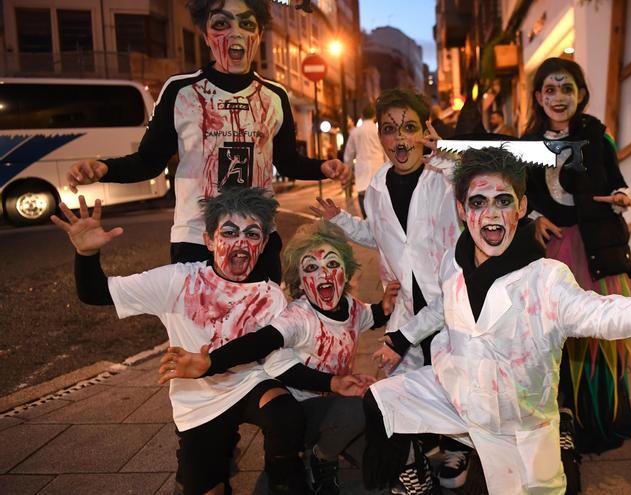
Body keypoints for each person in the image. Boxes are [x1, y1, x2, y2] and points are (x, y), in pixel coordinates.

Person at [362, 146, 631, 495]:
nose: (491, 213)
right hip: (458, 394)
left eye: (504, 201)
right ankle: (415, 472)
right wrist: (400, 339)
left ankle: (562, 439)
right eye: (478, 202)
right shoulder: (453, 263)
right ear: (462, 210)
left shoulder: (546, 278)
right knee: (382, 400)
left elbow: (596, 312)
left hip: (520, 422)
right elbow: (442, 307)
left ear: (522, 208)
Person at [64, 0, 351, 283]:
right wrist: (103, 168)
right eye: (221, 23)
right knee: (203, 329)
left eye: (247, 23)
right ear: (205, 36)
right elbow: (148, 162)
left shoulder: (275, 97)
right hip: (195, 240)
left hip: (258, 240)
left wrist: (323, 168)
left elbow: (288, 160)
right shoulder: (180, 91)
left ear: (259, 34)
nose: (235, 33)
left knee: (261, 327)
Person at [50, 187, 311, 495]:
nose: (240, 242)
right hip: (198, 401)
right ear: (209, 241)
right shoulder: (179, 280)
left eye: (252, 235)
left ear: (264, 243)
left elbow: (274, 354)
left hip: (249, 383)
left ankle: (281, 482)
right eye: (228, 232)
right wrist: (87, 254)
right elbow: (94, 293)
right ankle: (214, 459)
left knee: (287, 415)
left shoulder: (269, 295)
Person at [158, 220, 400, 495]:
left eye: (332, 264)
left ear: (345, 270)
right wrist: (212, 361)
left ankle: (323, 452)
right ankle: (317, 459)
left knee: (383, 444)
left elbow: (367, 316)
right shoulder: (296, 316)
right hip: (297, 417)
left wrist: (384, 308)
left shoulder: (351, 307)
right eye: (311, 268)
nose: (324, 274)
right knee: (354, 413)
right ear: (298, 277)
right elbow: (263, 342)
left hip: (333, 407)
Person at [309, 88, 472, 490]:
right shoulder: (378, 184)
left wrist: (444, 154)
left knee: (457, 379)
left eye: (410, 128)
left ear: (425, 131)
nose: (400, 139)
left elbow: (474, 189)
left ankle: (458, 447)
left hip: (450, 299)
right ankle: (412, 458)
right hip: (407, 302)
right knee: (404, 386)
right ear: (378, 136)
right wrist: (342, 222)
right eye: (389, 130)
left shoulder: (446, 174)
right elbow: (383, 235)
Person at [521, 56, 631, 491]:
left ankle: (602, 423)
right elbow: (522, 195)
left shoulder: (596, 134)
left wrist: (621, 195)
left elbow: (615, 178)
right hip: (554, 253)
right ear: (538, 96)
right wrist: (533, 217)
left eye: (566, 88)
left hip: (595, 250)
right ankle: (565, 424)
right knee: (560, 342)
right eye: (550, 90)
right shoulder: (529, 143)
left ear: (580, 94)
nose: (558, 97)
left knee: (600, 340)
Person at [344, 106, 387, 218]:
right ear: (374, 116)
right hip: (378, 166)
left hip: (362, 166)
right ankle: (378, 221)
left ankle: (366, 219)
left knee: (362, 193)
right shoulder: (379, 130)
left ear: (362, 116)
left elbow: (348, 153)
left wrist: (347, 169)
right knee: (378, 194)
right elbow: (386, 150)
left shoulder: (355, 132)